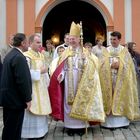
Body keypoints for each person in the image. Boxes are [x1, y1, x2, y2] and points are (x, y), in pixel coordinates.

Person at [49, 21, 105, 136]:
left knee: (82, 102)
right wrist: (61, 75)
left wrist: (86, 60)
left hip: (82, 82)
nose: (71, 41)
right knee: (68, 103)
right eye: (70, 39)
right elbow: (62, 67)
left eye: (73, 39)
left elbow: (94, 66)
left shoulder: (86, 52)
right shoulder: (65, 53)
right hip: (69, 82)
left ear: (79, 39)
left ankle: (80, 126)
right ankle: (70, 127)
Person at [100, 31, 140, 129]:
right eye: (111, 39)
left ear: (119, 39)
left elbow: (129, 65)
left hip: (122, 80)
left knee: (122, 98)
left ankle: (123, 123)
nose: (112, 41)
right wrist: (110, 65)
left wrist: (120, 66)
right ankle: (109, 124)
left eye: (114, 39)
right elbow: (100, 64)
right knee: (111, 98)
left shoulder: (124, 51)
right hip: (108, 80)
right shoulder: (106, 50)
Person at [0, 33, 32, 140]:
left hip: (8, 98)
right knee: (13, 129)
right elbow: (22, 81)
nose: (28, 44)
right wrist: (28, 99)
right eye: (27, 42)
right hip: (15, 100)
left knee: (9, 127)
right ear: (22, 43)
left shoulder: (10, 54)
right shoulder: (19, 57)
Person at [21, 34, 52, 139]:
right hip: (32, 88)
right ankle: (30, 134)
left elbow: (45, 71)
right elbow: (24, 74)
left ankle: (41, 131)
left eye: (40, 42)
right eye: (37, 42)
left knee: (41, 107)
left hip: (41, 87)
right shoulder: (26, 56)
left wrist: (47, 83)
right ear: (30, 43)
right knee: (32, 110)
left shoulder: (41, 55)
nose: (40, 44)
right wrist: (40, 71)